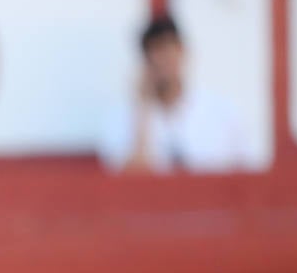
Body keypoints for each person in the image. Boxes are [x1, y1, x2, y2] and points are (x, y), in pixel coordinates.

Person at [98, 13, 248, 174]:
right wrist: (143, 110)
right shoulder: (122, 119)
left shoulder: (221, 113)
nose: (162, 61)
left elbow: (245, 173)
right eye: (154, 52)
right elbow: (130, 180)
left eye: (168, 51)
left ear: (182, 51)